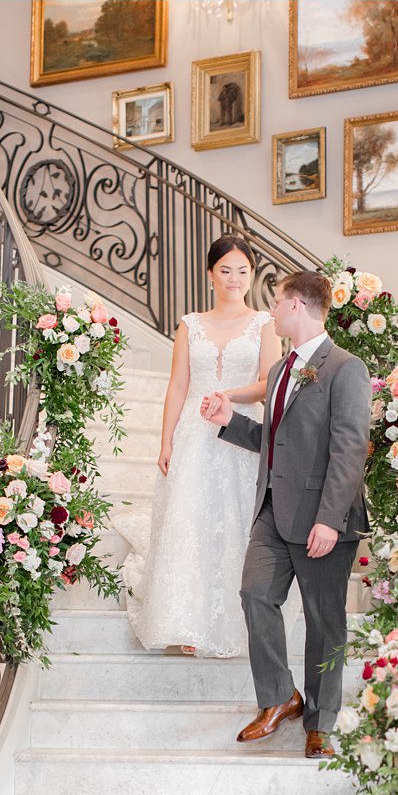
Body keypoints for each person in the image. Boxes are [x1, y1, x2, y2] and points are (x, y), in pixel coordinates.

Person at [200, 270, 371, 757]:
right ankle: (279, 697)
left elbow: (349, 450)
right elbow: (274, 444)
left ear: (296, 305)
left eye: (276, 302)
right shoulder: (278, 372)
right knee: (254, 594)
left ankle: (321, 721)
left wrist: (329, 519)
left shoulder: (345, 367)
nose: (270, 311)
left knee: (324, 622)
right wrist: (230, 422)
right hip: (272, 512)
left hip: (323, 516)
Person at [119, 235, 280, 657]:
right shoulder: (190, 324)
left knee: (235, 522)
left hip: (241, 428)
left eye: (243, 271)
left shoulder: (265, 323)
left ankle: (238, 622)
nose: (234, 279)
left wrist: (231, 398)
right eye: (225, 271)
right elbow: (178, 384)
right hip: (194, 433)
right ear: (211, 274)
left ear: (252, 275)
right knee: (191, 523)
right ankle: (186, 623)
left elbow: (269, 383)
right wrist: (166, 439)